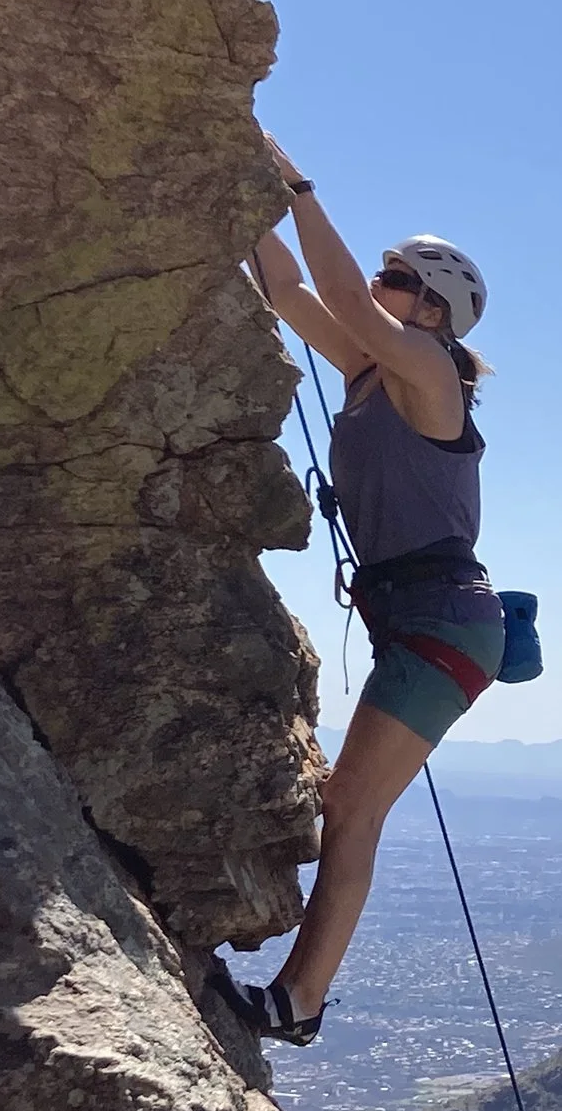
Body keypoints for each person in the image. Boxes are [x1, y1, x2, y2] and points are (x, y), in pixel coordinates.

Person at [211, 137, 502, 1045]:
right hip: (427, 620)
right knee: (350, 805)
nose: (378, 283)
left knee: (353, 808)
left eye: (395, 274)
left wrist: (297, 187)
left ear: (435, 308)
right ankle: (295, 998)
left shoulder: (430, 369)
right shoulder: (376, 370)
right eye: (382, 271)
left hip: (441, 621)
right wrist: (241, 195)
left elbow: (334, 297)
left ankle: (298, 1002)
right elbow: (292, 293)